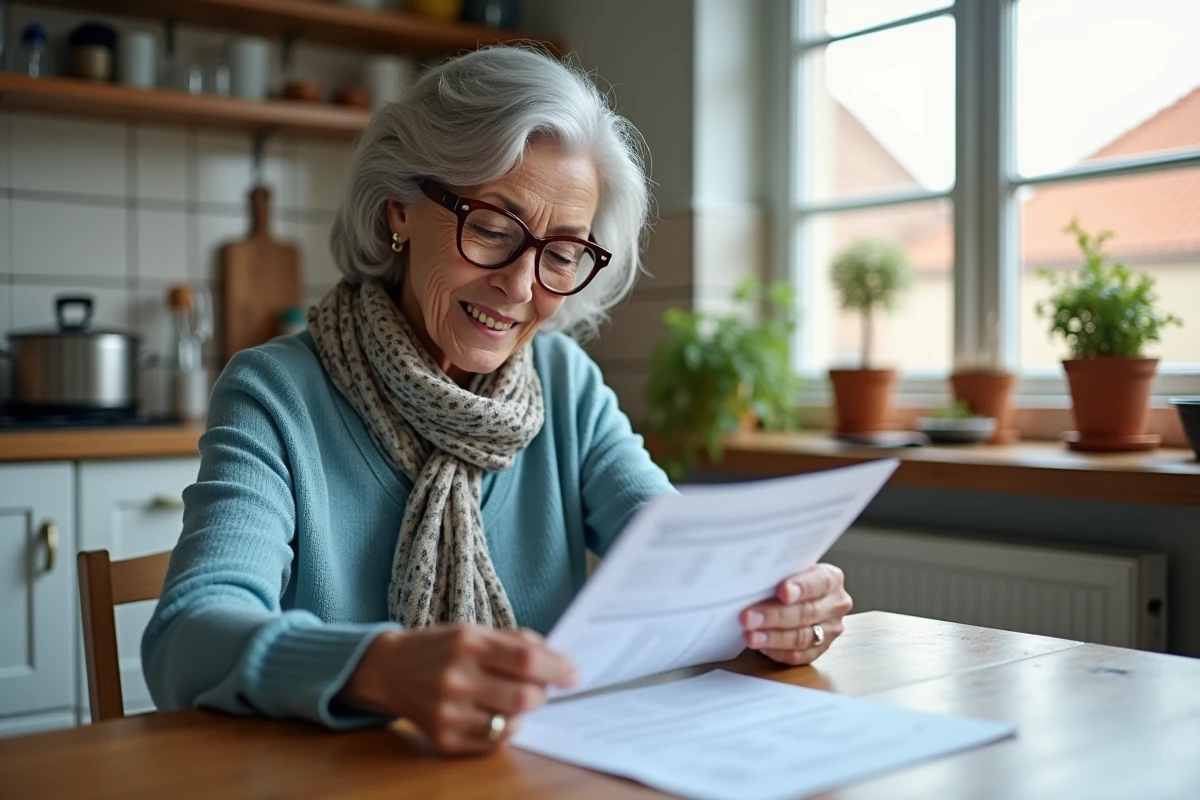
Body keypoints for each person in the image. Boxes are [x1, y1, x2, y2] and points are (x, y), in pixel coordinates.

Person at [142, 46, 853, 755]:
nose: (520, 286)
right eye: (490, 228)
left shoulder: (565, 384)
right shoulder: (276, 392)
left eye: (562, 252)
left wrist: (780, 601)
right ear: (399, 210)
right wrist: (379, 668)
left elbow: (677, 553)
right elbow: (187, 639)